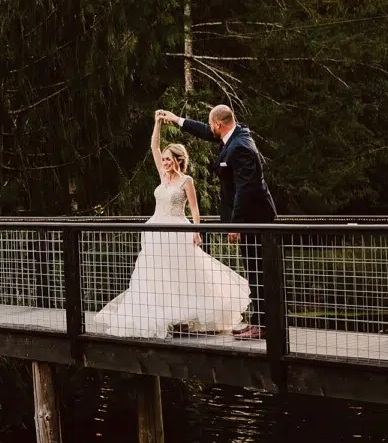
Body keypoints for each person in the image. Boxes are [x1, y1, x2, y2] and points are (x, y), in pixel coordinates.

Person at [90, 111, 250, 339]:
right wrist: (157, 123)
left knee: (181, 275)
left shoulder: (186, 181)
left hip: (178, 229)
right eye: (163, 159)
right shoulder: (162, 177)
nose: (164, 162)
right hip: (156, 230)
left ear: (177, 160)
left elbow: (194, 209)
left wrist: (196, 231)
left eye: (168, 159)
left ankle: (184, 319)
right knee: (155, 275)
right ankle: (162, 317)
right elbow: (154, 147)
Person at [157, 104, 276, 339]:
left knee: (258, 270)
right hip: (250, 218)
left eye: (212, 124)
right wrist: (177, 120)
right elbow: (204, 130)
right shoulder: (234, 135)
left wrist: (235, 223)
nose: (210, 128)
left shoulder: (240, 146)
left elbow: (245, 188)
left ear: (219, 124)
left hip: (254, 219)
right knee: (253, 269)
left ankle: (263, 326)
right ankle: (258, 322)